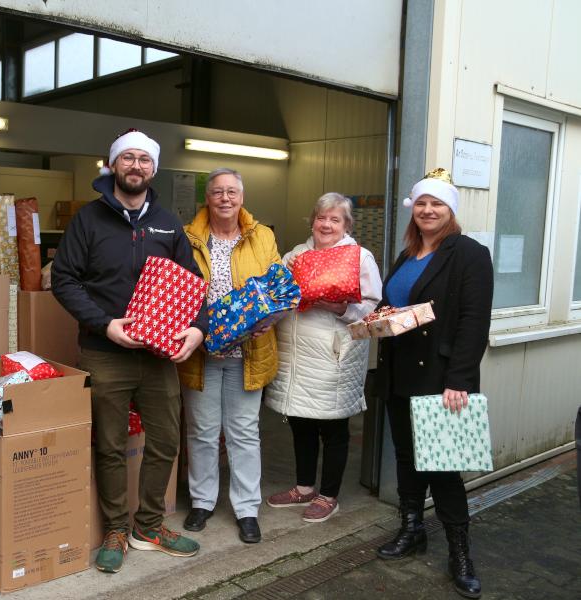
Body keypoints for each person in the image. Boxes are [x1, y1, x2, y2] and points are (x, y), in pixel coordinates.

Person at [52, 129, 206, 574]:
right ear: (113, 164)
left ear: (153, 169)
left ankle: (149, 526)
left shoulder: (167, 222)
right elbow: (64, 279)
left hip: (159, 355)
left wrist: (196, 330)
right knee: (111, 444)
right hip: (106, 351)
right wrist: (105, 324)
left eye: (144, 159)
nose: (136, 166)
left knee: (166, 440)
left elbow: (192, 284)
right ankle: (116, 528)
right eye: (128, 158)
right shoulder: (88, 219)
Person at [374, 168, 493, 599]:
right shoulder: (407, 255)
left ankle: (460, 554)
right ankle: (412, 530)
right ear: (413, 209)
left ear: (450, 210)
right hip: (398, 373)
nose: (427, 210)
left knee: (443, 468)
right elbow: (397, 308)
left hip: (441, 378)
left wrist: (459, 378)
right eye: (422, 203)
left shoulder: (468, 253)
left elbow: (474, 321)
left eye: (436, 204)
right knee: (407, 458)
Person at [176, 168, 282, 544]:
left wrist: (271, 317)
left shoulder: (262, 236)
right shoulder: (187, 237)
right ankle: (202, 502)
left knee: (243, 433)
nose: (224, 198)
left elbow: (279, 286)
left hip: (247, 352)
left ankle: (247, 509)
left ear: (242, 196)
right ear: (207, 197)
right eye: (217, 191)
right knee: (202, 432)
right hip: (200, 352)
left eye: (232, 191)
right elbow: (176, 289)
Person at [264, 193, 382, 523]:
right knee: (300, 421)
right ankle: (303, 488)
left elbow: (371, 307)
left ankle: (328, 494)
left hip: (334, 355)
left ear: (346, 225)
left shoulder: (359, 257)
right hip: (297, 355)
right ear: (312, 220)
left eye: (335, 219)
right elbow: (277, 294)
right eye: (321, 217)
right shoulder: (296, 255)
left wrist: (337, 306)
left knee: (332, 427)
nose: (326, 224)